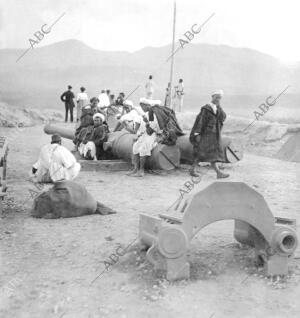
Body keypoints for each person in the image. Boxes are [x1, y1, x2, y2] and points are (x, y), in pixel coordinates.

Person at [189, 89, 229, 179]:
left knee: (213, 154)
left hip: (214, 135)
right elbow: (200, 121)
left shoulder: (218, 108)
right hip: (206, 134)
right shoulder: (206, 109)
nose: (218, 99)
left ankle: (218, 173)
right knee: (201, 153)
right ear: (212, 97)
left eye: (219, 98)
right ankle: (194, 170)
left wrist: (219, 107)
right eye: (216, 97)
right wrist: (197, 133)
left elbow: (223, 117)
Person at [127, 98, 160, 177]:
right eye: (141, 106)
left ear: (148, 106)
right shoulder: (145, 115)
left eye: (143, 106)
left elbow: (151, 130)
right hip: (144, 135)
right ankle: (135, 169)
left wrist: (147, 122)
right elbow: (143, 129)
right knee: (135, 147)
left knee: (143, 149)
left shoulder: (154, 115)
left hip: (151, 135)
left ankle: (141, 170)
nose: (142, 108)